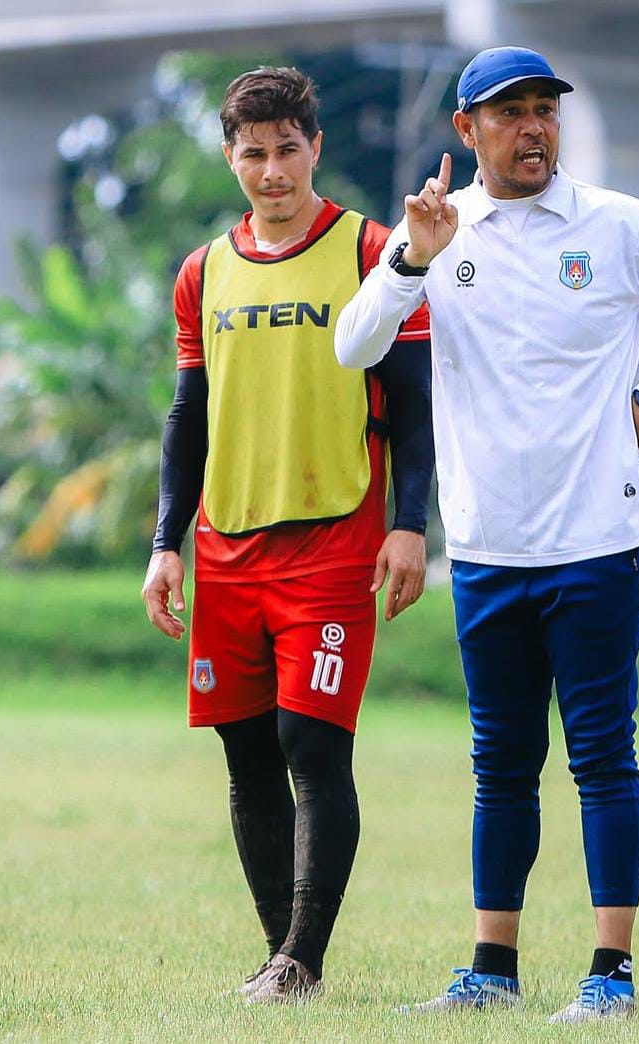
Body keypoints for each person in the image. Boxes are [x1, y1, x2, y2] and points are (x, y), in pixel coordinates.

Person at [335, 45, 639, 1021]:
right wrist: (412, 256)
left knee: (603, 755)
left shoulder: (619, 226)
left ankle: (610, 975)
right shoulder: (441, 234)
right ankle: (492, 967)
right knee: (500, 762)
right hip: (486, 548)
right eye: (510, 112)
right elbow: (353, 344)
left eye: (544, 111)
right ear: (467, 130)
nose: (533, 128)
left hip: (601, 541)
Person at [140, 66, 433, 1004]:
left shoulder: (372, 251)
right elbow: (190, 415)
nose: (272, 171)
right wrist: (164, 541)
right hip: (227, 547)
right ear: (231, 157)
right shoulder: (202, 271)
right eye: (253, 154)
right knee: (246, 753)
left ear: (316, 147)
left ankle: (302, 957)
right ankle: (283, 957)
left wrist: (410, 525)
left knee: (313, 744)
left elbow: (414, 402)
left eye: (287, 150)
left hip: (336, 539)